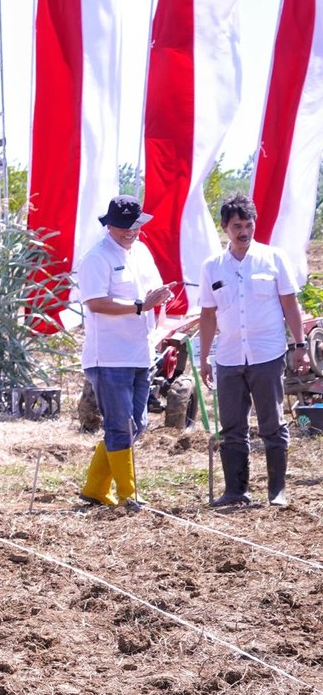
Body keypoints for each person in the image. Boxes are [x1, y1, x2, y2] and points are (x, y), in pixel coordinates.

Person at [197, 195, 308, 509]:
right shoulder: (212, 267)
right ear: (225, 227)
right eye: (237, 226)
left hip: (267, 355)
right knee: (232, 426)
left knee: (272, 424)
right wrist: (204, 358)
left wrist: (300, 345)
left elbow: (290, 304)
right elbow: (207, 315)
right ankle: (236, 491)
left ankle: (277, 491)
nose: (243, 232)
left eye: (248, 225)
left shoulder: (273, 259)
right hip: (229, 357)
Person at [75, 195, 175, 511]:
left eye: (135, 226)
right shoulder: (96, 257)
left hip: (140, 353)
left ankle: (94, 488)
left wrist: (162, 298)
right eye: (123, 227)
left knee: (137, 424)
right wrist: (139, 306)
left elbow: (153, 292)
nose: (130, 232)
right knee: (121, 426)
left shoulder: (142, 252)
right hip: (108, 356)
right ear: (110, 226)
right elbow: (95, 302)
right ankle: (128, 495)